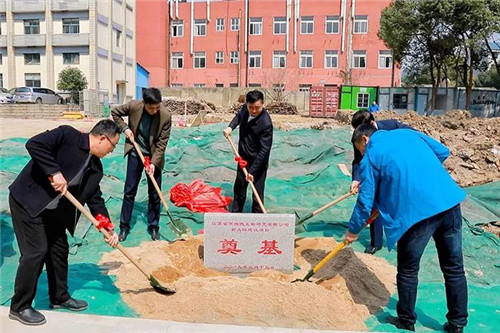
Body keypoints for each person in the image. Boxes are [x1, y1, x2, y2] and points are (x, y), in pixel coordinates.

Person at [345, 124, 468, 333]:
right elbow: (442, 152)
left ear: (365, 139)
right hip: (448, 202)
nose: (361, 154)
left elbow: (366, 202)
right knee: (454, 268)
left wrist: (353, 231)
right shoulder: (407, 133)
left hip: (415, 213)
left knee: (408, 270)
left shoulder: (372, 155)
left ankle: (406, 320)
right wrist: (417, 174)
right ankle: (457, 324)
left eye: (359, 149)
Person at [8, 120, 120, 326]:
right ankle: (20, 306)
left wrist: (107, 227)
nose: (111, 151)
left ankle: (59, 297)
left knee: (59, 249)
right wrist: (54, 172)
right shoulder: (68, 136)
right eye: (113, 146)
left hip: (55, 211)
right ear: (103, 138)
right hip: (29, 201)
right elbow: (34, 144)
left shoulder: (95, 167)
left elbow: (95, 199)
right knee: (36, 251)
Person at [112, 88, 172, 241]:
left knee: (154, 193)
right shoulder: (133, 106)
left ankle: (153, 226)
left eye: (157, 107)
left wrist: (153, 163)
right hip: (135, 152)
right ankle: (124, 227)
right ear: (144, 103)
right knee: (130, 190)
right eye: (151, 108)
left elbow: (161, 144)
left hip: (153, 156)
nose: (154, 110)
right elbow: (115, 113)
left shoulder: (165, 116)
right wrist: (125, 128)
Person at [350, 109, 413, 254]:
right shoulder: (358, 138)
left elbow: (413, 138)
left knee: (401, 206)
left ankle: (405, 238)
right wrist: (356, 179)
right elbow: (358, 160)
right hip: (375, 173)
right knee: (373, 203)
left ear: (371, 124)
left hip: (397, 172)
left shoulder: (394, 127)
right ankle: (376, 242)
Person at [223, 90, 273, 213]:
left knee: (257, 192)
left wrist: (252, 171)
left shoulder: (266, 123)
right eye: (251, 107)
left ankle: (257, 218)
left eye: (257, 108)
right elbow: (238, 117)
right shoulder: (245, 110)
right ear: (247, 104)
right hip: (243, 158)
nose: (254, 111)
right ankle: (236, 214)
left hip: (258, 162)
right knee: (239, 189)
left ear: (262, 104)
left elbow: (264, 150)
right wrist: (230, 127)